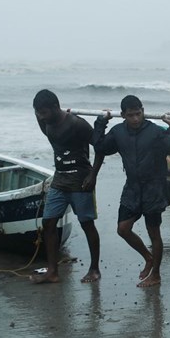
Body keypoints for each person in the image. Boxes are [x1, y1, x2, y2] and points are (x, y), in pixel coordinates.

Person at [92, 95, 170, 287]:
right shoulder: (118, 132)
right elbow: (100, 146)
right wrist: (100, 122)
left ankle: (156, 275)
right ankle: (148, 257)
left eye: (138, 114)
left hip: (154, 189)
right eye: (131, 115)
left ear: (143, 111)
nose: (135, 119)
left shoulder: (155, 132)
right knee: (123, 229)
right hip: (133, 188)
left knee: (154, 232)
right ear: (123, 115)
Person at [30, 90, 102, 284]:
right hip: (60, 180)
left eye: (43, 112)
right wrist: (40, 115)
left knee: (87, 224)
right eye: (38, 113)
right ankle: (52, 271)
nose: (41, 116)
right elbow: (48, 133)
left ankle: (94, 269)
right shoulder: (45, 122)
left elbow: (100, 147)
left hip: (81, 181)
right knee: (48, 223)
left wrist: (93, 175)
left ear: (55, 107)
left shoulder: (77, 124)